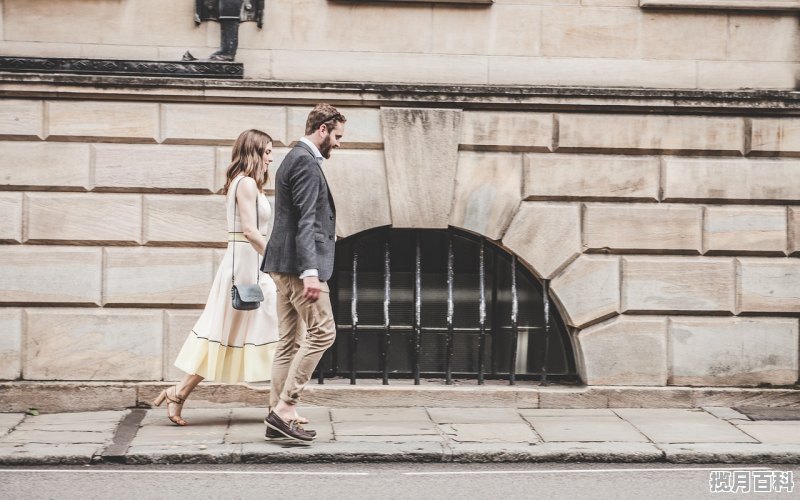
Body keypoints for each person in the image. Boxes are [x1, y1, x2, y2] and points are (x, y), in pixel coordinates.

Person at [153, 129, 280, 426]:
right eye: (268, 152)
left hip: (250, 264)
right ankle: (281, 406)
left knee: (247, 332)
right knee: (227, 334)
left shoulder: (246, 183)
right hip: (246, 267)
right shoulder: (246, 183)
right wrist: (275, 260)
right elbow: (249, 231)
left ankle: (280, 405)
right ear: (254, 152)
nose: (271, 158)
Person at [261, 103, 346, 442]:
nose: (338, 143)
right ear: (322, 129)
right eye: (337, 136)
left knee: (289, 342)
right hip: (299, 267)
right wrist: (311, 272)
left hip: (281, 264)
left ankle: (276, 414)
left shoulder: (292, 158)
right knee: (324, 332)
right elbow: (306, 221)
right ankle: (285, 407)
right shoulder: (306, 164)